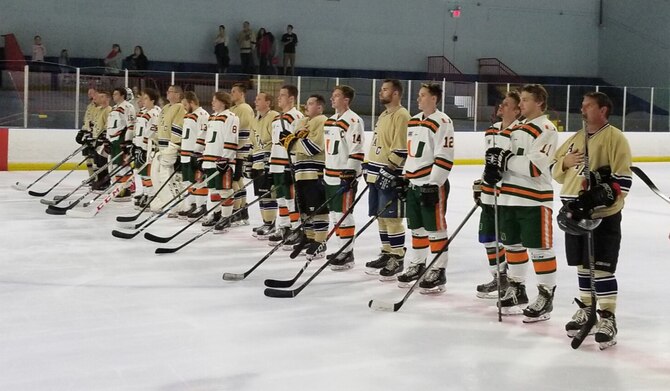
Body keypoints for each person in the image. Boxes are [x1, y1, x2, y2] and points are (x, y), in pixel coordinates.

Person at [552, 91, 632, 349]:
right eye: (582, 105)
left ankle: (607, 317)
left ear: (603, 110)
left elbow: (623, 179)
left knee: (602, 267)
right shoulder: (576, 138)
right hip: (573, 212)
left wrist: (604, 193)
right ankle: (587, 308)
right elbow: (556, 171)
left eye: (588, 106)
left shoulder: (615, 138)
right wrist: (564, 161)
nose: (582, 110)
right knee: (583, 266)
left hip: (600, 214)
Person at [483, 84, 558, 323]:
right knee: (512, 246)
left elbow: (535, 167)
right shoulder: (517, 128)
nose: (521, 104)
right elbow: (504, 162)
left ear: (539, 103)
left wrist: (506, 160)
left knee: (540, 249)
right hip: (507, 197)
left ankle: (546, 294)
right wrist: (492, 171)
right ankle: (517, 289)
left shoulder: (546, 128)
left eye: (525, 100)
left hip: (534, 200)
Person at [395, 83, 454, 293]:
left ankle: (438, 270)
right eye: (419, 96)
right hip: (414, 183)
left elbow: (444, 156)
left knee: (435, 228)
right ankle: (418, 264)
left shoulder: (443, 121)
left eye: (422, 96)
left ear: (434, 99)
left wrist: (434, 183)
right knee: (417, 228)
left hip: (431, 184)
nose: (418, 99)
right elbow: (413, 155)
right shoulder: (414, 121)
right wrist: (405, 177)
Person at [473, 91, 525, 299]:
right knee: (488, 238)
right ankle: (498, 277)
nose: (500, 108)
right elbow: (489, 162)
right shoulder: (491, 131)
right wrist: (481, 181)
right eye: (500, 104)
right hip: (488, 193)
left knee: (509, 240)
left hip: (507, 196)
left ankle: (512, 281)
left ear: (517, 109)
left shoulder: (520, 132)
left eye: (506, 104)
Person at [363, 79, 410, 280]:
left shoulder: (401, 116)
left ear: (396, 93)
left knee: (392, 217)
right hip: (374, 174)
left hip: (389, 175)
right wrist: (367, 166)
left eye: (385, 90)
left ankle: (397, 257)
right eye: (381, 89)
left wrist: (389, 171)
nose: (380, 92)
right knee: (380, 216)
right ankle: (386, 251)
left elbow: (401, 149)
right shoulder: (384, 114)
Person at [279, 94, 329, 259]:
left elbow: (312, 147)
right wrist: (290, 141)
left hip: (315, 173)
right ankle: (310, 238)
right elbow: (293, 146)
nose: (306, 106)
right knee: (304, 209)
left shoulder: (322, 121)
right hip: (300, 172)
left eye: (310, 103)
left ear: (320, 107)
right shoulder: (302, 123)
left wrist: (291, 142)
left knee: (318, 209)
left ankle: (320, 242)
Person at [323, 85, 365, 270]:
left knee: (344, 214)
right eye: (332, 96)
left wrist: (350, 173)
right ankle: (341, 248)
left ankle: (347, 253)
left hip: (343, 176)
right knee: (334, 214)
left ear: (346, 100)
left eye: (336, 96)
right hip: (329, 175)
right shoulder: (330, 121)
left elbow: (356, 149)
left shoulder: (353, 120)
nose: (332, 99)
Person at [267, 85, 304, 248]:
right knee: (281, 198)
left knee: (291, 198)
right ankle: (284, 226)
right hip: (276, 163)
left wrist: (293, 165)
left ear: (291, 98)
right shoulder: (278, 118)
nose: (278, 98)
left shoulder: (296, 117)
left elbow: (295, 143)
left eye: (282, 95)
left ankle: (296, 228)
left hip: (287, 164)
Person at [200, 92, 239, 231]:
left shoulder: (231, 117)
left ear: (223, 102)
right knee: (213, 189)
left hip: (221, 160)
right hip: (209, 159)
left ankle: (226, 217)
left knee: (224, 190)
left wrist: (226, 158)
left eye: (214, 101)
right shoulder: (212, 118)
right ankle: (216, 213)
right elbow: (206, 138)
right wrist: (199, 154)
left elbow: (231, 138)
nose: (212, 103)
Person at [150, 85, 186, 211]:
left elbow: (178, 128)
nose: (167, 93)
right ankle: (165, 200)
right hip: (162, 147)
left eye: (170, 91)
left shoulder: (180, 108)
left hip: (171, 148)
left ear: (178, 94)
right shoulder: (165, 108)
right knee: (158, 176)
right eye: (167, 91)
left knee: (172, 177)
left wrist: (174, 146)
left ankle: (178, 204)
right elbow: (160, 127)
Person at [249, 92, 280, 239]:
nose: (256, 101)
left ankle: (271, 224)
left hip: (267, 160)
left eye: (259, 99)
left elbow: (274, 141)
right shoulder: (255, 119)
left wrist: (269, 161)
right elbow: (253, 141)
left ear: (268, 102)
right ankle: (265, 222)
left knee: (268, 194)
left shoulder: (274, 116)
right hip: (257, 161)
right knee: (261, 194)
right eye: (255, 99)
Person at [177, 91, 210, 219]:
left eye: (185, 104)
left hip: (194, 154)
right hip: (185, 153)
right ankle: (192, 205)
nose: (184, 107)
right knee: (188, 181)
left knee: (198, 181)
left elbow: (203, 135)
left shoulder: (202, 115)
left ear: (192, 102)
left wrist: (196, 152)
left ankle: (201, 206)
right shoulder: (188, 115)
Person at [229, 83, 256, 227]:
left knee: (235, 179)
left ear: (242, 93)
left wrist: (234, 148)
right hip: (235, 149)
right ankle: (242, 211)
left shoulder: (244, 109)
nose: (231, 93)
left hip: (238, 150)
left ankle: (237, 210)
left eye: (234, 91)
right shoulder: (234, 108)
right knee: (238, 180)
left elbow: (245, 131)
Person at [132, 88, 162, 210]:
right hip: (140, 146)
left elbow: (152, 134)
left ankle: (151, 195)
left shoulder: (154, 113)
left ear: (152, 100)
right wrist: (135, 144)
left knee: (148, 173)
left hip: (148, 149)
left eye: (145, 98)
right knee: (142, 173)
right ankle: (146, 193)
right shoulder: (143, 112)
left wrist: (144, 148)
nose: (142, 100)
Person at [105, 87, 136, 201]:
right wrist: (107, 140)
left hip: (121, 139)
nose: (114, 96)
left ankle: (126, 189)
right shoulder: (114, 108)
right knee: (116, 165)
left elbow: (131, 125)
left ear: (122, 95)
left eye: (116, 94)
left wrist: (127, 141)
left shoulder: (128, 107)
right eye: (113, 94)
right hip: (113, 140)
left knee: (123, 165)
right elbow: (110, 126)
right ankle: (119, 187)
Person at [90, 90, 113, 190]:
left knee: (103, 162)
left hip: (103, 141)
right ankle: (99, 180)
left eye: (103, 96)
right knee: (97, 162)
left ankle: (105, 182)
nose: (100, 98)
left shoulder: (109, 110)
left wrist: (103, 137)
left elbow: (108, 125)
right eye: (100, 96)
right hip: (97, 139)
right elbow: (96, 124)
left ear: (108, 98)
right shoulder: (99, 110)